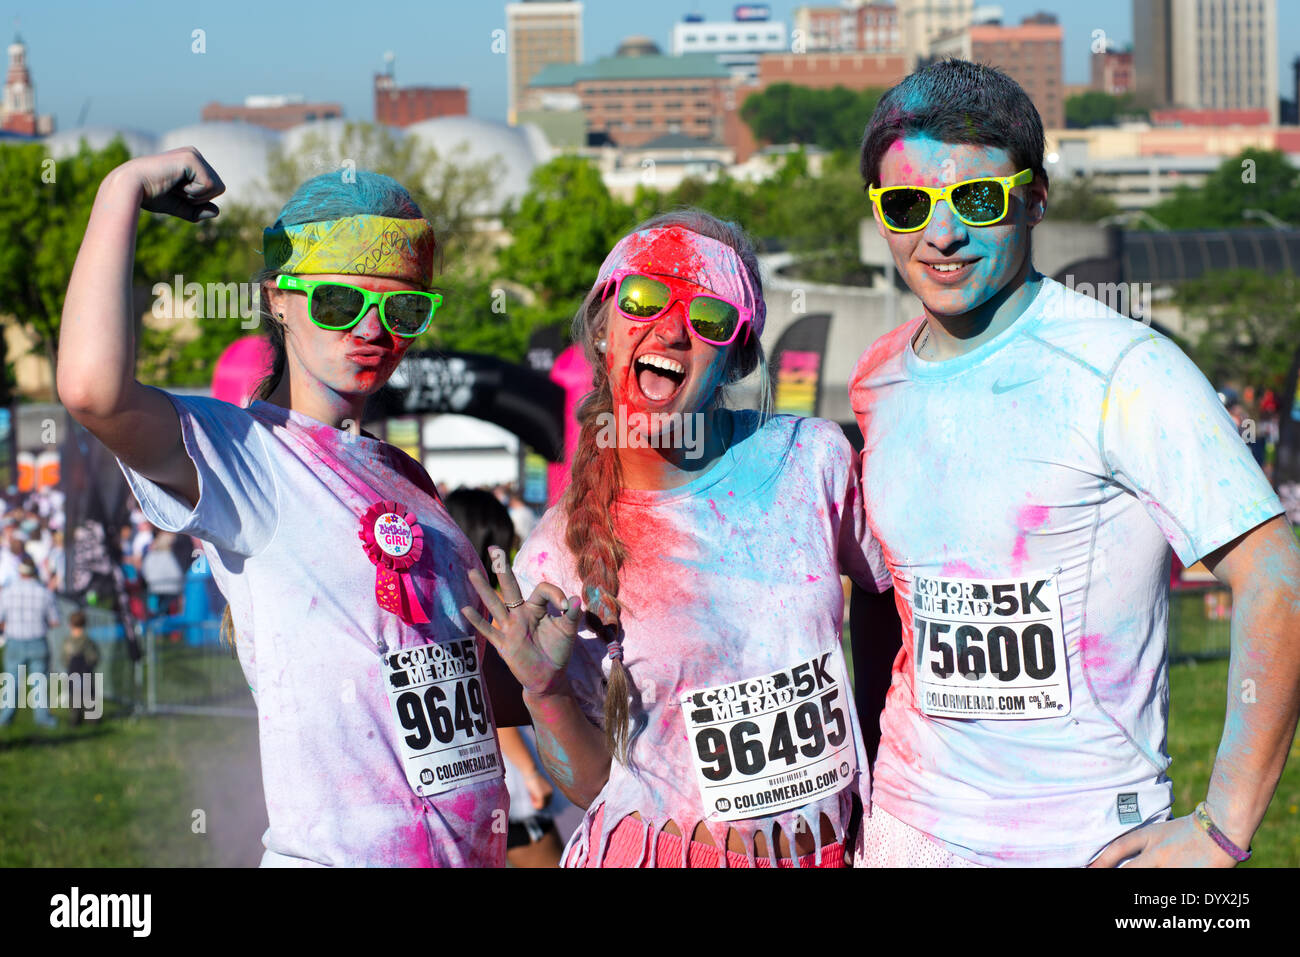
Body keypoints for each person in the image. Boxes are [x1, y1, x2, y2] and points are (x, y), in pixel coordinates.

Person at [848, 58, 1300, 867]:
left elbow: (1279, 578)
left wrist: (1223, 829)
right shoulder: (877, 376)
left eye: (978, 200)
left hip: (1087, 840)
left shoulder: (1127, 370)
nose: (941, 234)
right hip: (906, 829)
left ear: (1037, 196)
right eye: (909, 204)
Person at [57, 147, 518, 866]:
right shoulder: (251, 455)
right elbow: (92, 390)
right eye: (339, 302)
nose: (371, 329)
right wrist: (122, 189)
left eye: (401, 307)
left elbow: (459, 682)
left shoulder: (410, 479)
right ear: (278, 297)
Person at [463, 211, 891, 868]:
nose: (669, 329)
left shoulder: (811, 458)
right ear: (605, 326)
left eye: (709, 318)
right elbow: (591, 785)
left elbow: (887, 595)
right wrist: (544, 690)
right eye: (642, 300)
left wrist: (883, 772)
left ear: (738, 355)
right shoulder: (555, 554)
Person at [444, 487, 565, 868]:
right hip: (505, 779)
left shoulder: (444, 608)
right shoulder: (496, 614)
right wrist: (530, 774)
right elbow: (489, 710)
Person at [0, 559, 61, 728]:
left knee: (11, 682)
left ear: (20, 573)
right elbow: (55, 621)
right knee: (39, 682)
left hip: (14, 640)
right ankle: (43, 718)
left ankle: (6, 718)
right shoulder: (45, 593)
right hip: (38, 640)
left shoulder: (7, 592)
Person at [62, 610, 100, 727]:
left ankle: (75, 719)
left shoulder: (67, 642)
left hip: (73, 672)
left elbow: (64, 657)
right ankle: (92, 719)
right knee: (89, 695)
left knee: (74, 696)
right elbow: (94, 656)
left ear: (70, 625)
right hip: (86, 672)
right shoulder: (88, 641)